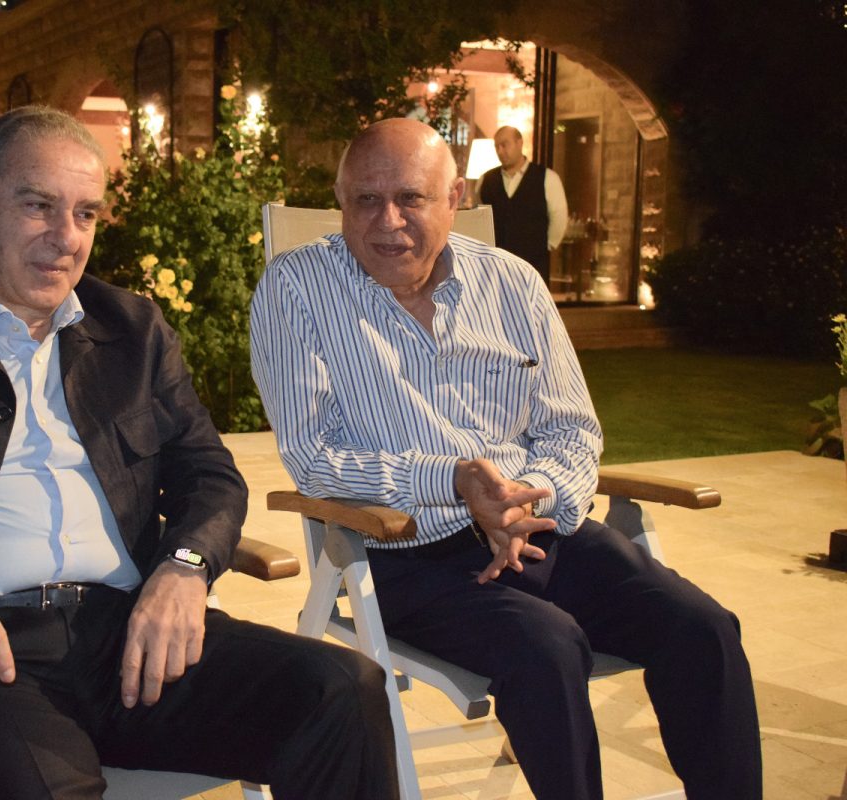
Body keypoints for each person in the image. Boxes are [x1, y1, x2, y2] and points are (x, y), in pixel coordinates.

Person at [0, 106, 398, 800]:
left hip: (131, 639)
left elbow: (210, 474)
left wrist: (185, 566)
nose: (66, 238)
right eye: (39, 206)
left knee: (341, 691)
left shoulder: (131, 332)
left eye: (85, 213)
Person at [249, 117, 761, 800]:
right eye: (365, 200)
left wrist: (525, 497)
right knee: (548, 648)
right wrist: (456, 481)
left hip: (542, 531)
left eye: (410, 198)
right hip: (409, 554)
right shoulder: (297, 290)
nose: (388, 221)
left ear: (454, 197)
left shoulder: (513, 283)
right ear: (340, 200)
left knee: (703, 630)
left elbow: (572, 429)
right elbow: (315, 459)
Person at [478, 125, 567, 284]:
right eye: (496, 147)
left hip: (533, 266)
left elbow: (559, 217)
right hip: (495, 269)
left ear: (519, 143)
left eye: (504, 145)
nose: (500, 151)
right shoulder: (486, 180)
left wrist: (545, 246)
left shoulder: (547, 178)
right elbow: (479, 219)